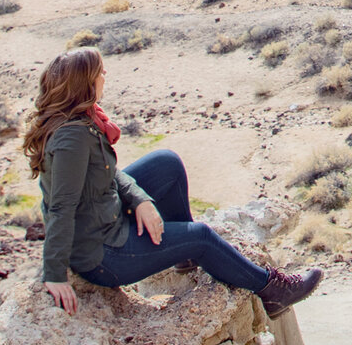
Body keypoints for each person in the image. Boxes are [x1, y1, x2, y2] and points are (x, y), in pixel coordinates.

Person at [24, 48, 320, 316]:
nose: (105, 76)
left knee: (166, 163)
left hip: (105, 218)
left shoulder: (82, 120)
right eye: (100, 72)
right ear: (84, 83)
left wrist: (141, 200)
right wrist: (54, 273)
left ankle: (183, 253)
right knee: (202, 236)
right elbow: (61, 207)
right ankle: (273, 292)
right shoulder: (72, 137)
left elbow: (108, 173)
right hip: (105, 256)